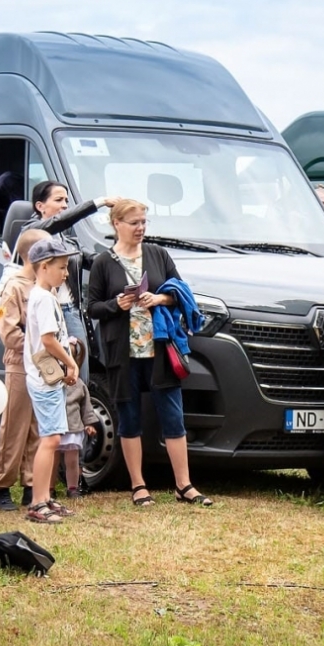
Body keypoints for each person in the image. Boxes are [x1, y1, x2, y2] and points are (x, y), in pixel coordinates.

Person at [86, 199, 213, 508]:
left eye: (144, 222)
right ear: (116, 224)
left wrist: (159, 299)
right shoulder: (104, 262)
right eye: (134, 223)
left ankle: (184, 485)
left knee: (173, 417)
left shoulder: (158, 254)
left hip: (161, 349)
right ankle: (138, 485)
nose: (141, 228)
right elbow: (92, 308)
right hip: (123, 354)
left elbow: (181, 294)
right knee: (129, 419)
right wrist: (118, 304)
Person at [12, 182, 121, 382]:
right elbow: (59, 221)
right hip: (43, 310)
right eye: (59, 200)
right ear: (40, 206)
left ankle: (75, 412)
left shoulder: (68, 239)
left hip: (70, 311)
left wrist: (121, 249)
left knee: (80, 374)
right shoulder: (31, 231)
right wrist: (99, 202)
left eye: (67, 201)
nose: (65, 205)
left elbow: (93, 260)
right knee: (51, 374)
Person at [24, 238, 84, 524]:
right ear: (44, 266)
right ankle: (38, 502)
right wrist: (71, 362)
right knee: (50, 440)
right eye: (61, 267)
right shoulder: (45, 298)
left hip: (44, 379)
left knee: (52, 437)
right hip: (44, 380)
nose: (66, 273)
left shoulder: (42, 295)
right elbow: (48, 340)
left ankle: (45, 498)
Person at [0, 227, 46, 512]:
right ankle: (3, 485)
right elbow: (9, 330)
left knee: (37, 425)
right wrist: (36, 346)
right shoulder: (14, 286)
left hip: (43, 365)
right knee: (15, 424)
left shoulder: (44, 287)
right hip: (20, 363)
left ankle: (31, 484)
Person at [60, 341, 99, 499]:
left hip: (74, 428)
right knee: (52, 460)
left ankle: (73, 487)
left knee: (72, 461)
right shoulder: (52, 381)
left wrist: (89, 423)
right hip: (56, 428)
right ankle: (48, 487)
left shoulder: (79, 385)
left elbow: (86, 407)